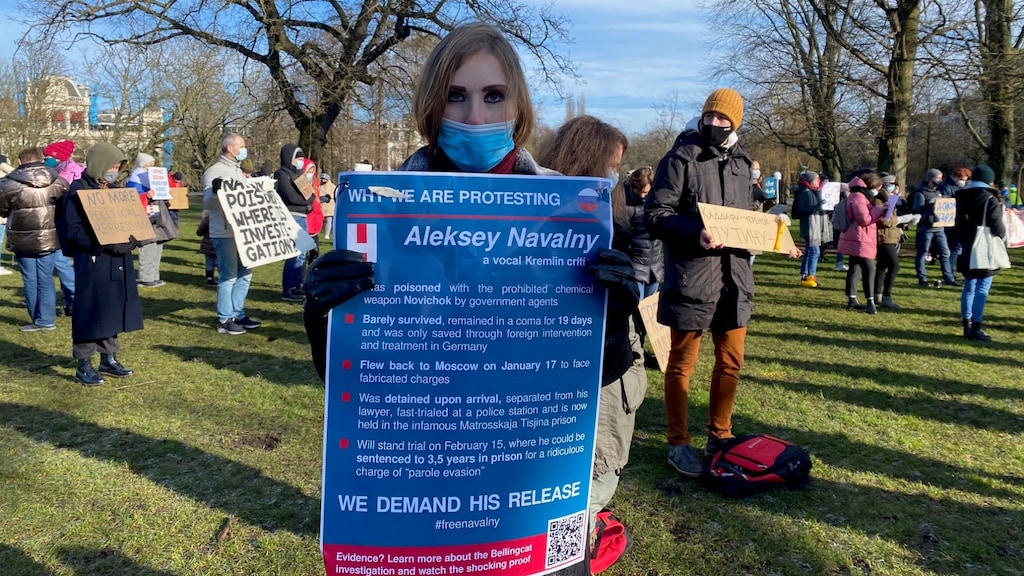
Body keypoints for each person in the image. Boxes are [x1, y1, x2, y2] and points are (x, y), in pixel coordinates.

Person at [535, 114, 646, 573]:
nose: (616, 176)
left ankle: (570, 551)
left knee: (577, 503)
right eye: (613, 165)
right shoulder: (546, 222)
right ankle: (566, 549)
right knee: (571, 490)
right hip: (579, 396)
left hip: (608, 376)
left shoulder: (611, 223)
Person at [645, 87, 759, 477]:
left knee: (731, 363)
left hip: (735, 279)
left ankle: (720, 435)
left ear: (735, 122)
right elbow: (655, 214)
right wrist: (696, 233)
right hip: (693, 277)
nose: (714, 123)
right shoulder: (681, 157)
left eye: (723, 119)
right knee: (681, 365)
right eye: (709, 116)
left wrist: (776, 238)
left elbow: (747, 219)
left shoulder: (743, 163)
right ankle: (678, 442)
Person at [57, 143, 140, 386]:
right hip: (93, 260)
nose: (114, 171)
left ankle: (108, 357)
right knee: (91, 309)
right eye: (111, 166)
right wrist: (103, 243)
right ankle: (84, 363)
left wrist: (131, 239)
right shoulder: (78, 190)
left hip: (118, 260)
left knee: (112, 307)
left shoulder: (114, 189)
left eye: (118, 166)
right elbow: (73, 231)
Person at [0, 146, 70, 331]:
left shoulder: (7, 184)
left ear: (20, 161)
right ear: (41, 159)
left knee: (30, 278)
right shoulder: (60, 181)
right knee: (45, 277)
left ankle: (38, 318)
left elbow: (2, 210)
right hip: (51, 237)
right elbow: (67, 208)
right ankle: (46, 319)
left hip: (23, 238)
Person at [202, 133, 262, 335]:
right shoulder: (214, 172)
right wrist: (215, 191)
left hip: (244, 232)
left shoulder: (238, 172)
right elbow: (208, 203)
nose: (244, 149)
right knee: (229, 275)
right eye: (241, 146)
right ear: (230, 148)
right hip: (225, 232)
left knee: (245, 274)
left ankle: (238, 313)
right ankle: (225, 319)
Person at [955, 165, 1006, 341]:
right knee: (982, 287)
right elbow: (997, 226)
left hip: (966, 244)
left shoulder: (961, 195)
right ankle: (976, 326)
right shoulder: (990, 198)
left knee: (969, 286)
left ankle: (966, 324)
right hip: (984, 246)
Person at [837, 174, 886, 313]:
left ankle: (852, 299)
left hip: (856, 237)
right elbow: (864, 219)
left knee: (855, 267)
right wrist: (880, 210)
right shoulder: (859, 197)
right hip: (860, 237)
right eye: (876, 188)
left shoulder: (856, 195)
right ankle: (870, 300)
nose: (877, 191)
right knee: (869, 269)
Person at [274, 143, 312, 301]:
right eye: (298, 158)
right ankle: (288, 288)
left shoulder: (299, 175)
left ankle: (297, 286)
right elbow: (291, 197)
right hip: (291, 216)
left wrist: (308, 201)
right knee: (293, 254)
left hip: (303, 217)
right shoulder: (282, 174)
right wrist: (306, 203)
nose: (300, 161)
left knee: (302, 255)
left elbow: (311, 195)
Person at [910, 168, 959, 287]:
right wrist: (929, 216)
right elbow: (916, 211)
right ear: (930, 179)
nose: (940, 181)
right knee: (923, 253)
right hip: (926, 229)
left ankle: (949, 278)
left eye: (941, 178)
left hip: (940, 228)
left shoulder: (939, 193)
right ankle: (922, 279)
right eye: (937, 178)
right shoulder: (921, 194)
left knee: (945, 253)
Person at [129, 153, 167, 287]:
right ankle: (146, 277)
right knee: (148, 244)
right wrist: (146, 195)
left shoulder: (150, 177)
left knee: (157, 244)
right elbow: (133, 197)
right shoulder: (136, 179)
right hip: (145, 216)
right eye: (150, 162)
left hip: (155, 213)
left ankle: (154, 275)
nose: (152, 165)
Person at [795, 170, 830, 287]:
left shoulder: (813, 192)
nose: (817, 182)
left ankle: (805, 274)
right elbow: (803, 209)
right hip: (810, 227)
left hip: (812, 227)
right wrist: (818, 206)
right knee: (815, 251)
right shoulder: (805, 193)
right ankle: (811, 275)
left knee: (810, 251)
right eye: (815, 180)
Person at [196, 210, 217, 285]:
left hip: (207, 245)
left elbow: (199, 232)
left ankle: (209, 278)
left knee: (209, 262)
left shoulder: (207, 219)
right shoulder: (224, 219)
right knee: (220, 263)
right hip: (220, 245)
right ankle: (223, 278)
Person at [320, 172, 337, 241]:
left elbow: (335, 195)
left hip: (329, 205)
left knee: (328, 221)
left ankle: (327, 234)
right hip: (321, 205)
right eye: (322, 178)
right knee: (319, 220)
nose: (323, 180)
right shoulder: (319, 186)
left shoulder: (333, 186)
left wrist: (329, 197)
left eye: (324, 178)